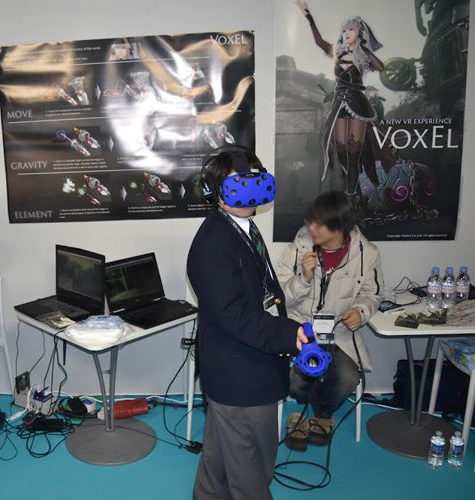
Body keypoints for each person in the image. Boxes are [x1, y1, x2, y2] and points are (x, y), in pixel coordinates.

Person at [188, 147, 308, 500]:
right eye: (237, 182)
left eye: (254, 178)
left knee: (220, 454)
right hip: (239, 372)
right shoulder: (213, 244)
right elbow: (234, 315)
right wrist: (287, 333)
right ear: (214, 191)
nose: (249, 188)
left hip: (246, 360)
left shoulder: (241, 226)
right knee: (252, 467)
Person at [276, 191, 384, 450]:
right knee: (297, 378)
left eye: (319, 223)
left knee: (347, 378)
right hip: (301, 328)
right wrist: (303, 278)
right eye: (311, 220)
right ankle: (303, 413)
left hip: (340, 334)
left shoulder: (367, 253)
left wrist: (360, 311)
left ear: (340, 226)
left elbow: (373, 294)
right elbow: (279, 298)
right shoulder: (298, 249)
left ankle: (321, 415)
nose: (311, 227)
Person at [294, 0, 393, 205]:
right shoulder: (337, 52)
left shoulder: (363, 56)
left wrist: (365, 49)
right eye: (345, 29)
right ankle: (358, 189)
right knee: (340, 153)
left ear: (359, 33)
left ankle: (352, 198)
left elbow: (381, 67)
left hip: (358, 104)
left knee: (353, 152)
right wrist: (309, 18)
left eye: (351, 29)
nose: (347, 32)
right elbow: (319, 42)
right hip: (339, 103)